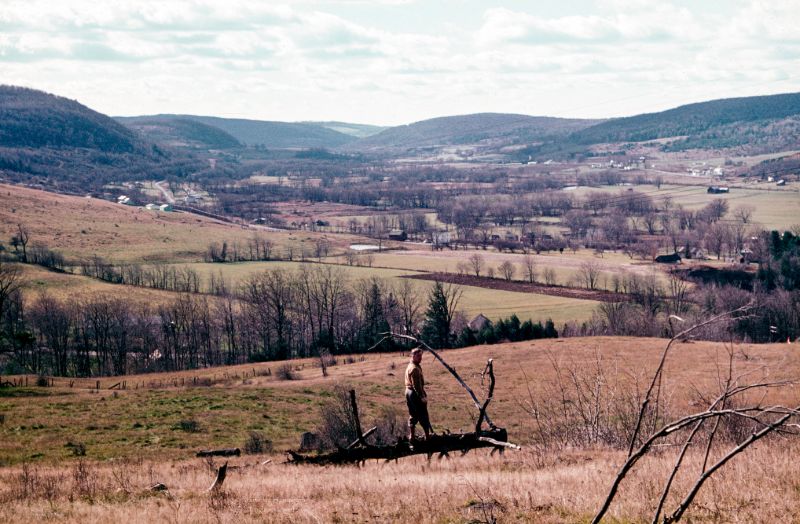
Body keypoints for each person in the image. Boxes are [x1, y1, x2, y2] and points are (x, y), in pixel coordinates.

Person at [405, 348, 433, 441]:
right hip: (414, 393)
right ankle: (427, 437)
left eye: (421, 356)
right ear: (412, 356)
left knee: (413, 414)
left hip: (408, 392)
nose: (420, 358)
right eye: (418, 356)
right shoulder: (414, 368)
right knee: (423, 414)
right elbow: (416, 385)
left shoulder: (411, 365)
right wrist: (422, 397)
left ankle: (412, 436)